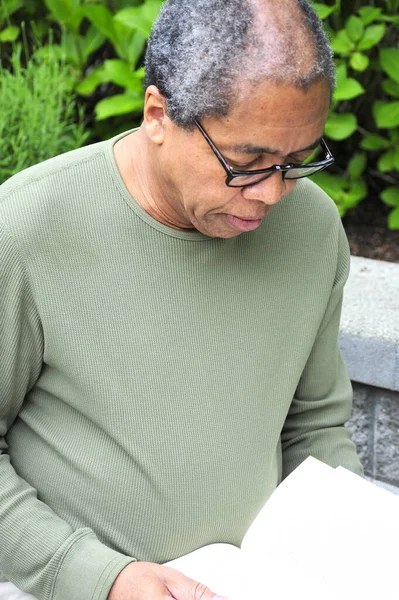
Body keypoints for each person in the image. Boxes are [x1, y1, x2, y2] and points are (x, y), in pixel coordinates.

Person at [0, 0, 363, 599]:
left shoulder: (313, 229)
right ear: (158, 114)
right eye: (246, 162)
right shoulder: (28, 228)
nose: (273, 193)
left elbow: (314, 423)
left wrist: (351, 547)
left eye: (297, 161)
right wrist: (97, 578)